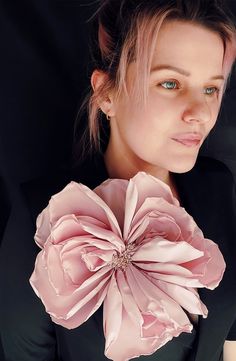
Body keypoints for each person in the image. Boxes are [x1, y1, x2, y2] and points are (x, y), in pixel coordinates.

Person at [0, 0, 236, 360]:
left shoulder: (217, 186)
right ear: (107, 92)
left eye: (210, 89)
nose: (201, 114)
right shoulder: (38, 216)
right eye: (170, 83)